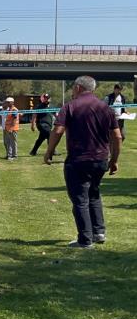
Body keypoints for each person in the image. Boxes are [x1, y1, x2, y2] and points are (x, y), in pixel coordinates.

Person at [44, 76, 122, 249]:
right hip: (101, 159)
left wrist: (49, 151)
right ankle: (99, 232)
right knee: (94, 194)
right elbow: (117, 136)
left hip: (78, 160)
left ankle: (85, 240)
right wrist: (114, 159)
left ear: (78, 88)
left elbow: (57, 130)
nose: (72, 91)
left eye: (73, 88)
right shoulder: (105, 108)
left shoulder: (70, 106)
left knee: (80, 199)